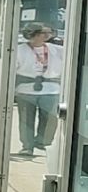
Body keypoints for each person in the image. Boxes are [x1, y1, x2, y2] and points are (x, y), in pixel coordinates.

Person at [15, 22, 63, 156]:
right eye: (43, 33)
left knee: (50, 118)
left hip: (51, 89)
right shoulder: (19, 50)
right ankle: (27, 146)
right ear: (33, 35)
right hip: (26, 89)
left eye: (48, 33)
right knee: (26, 119)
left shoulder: (57, 49)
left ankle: (42, 142)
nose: (47, 35)